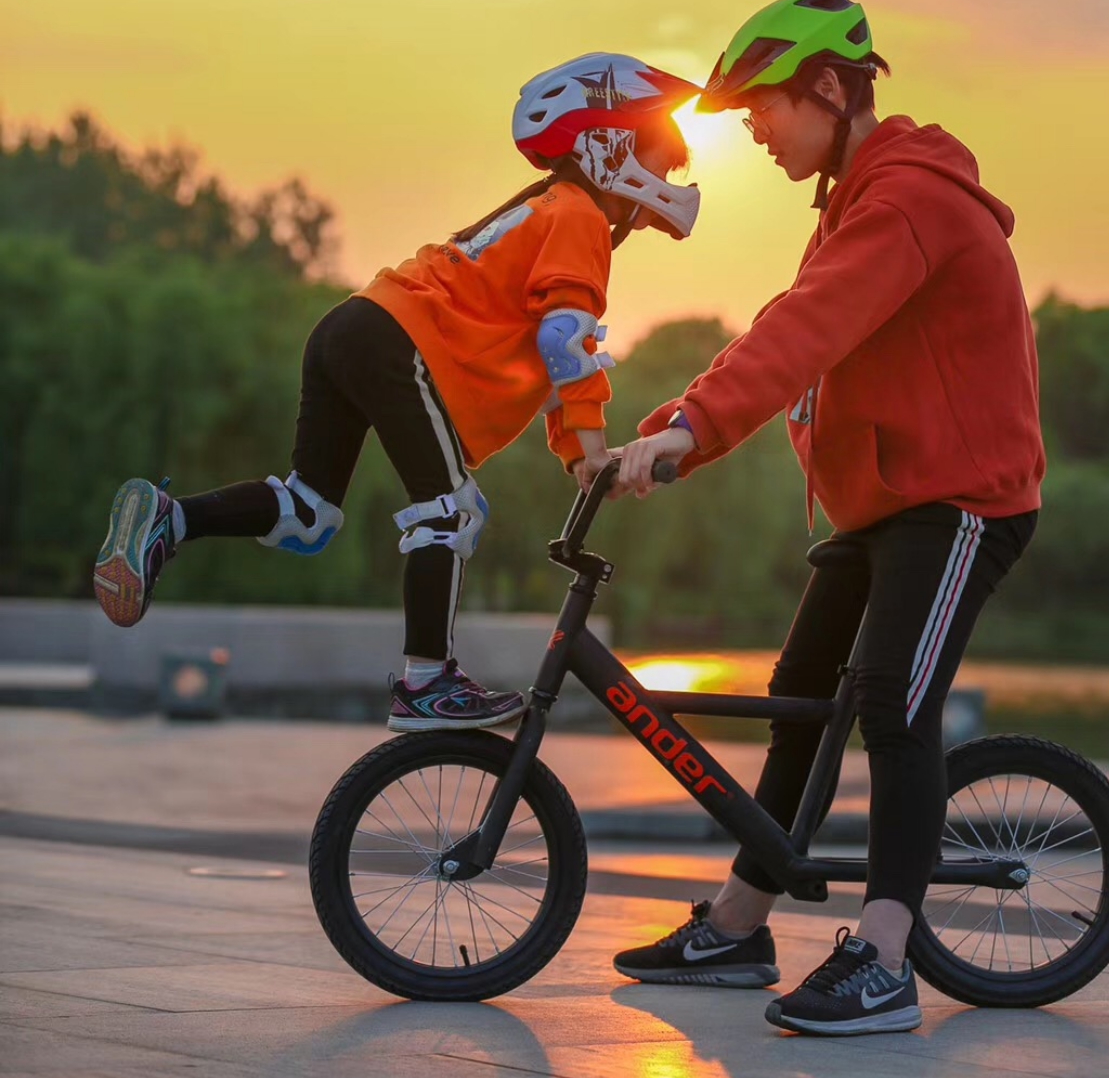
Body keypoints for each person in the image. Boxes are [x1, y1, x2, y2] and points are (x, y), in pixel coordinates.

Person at [611, 0, 1043, 1037]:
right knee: (805, 692)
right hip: (883, 504)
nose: (753, 128)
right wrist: (674, 420)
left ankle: (887, 959)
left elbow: (811, 325)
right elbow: (787, 329)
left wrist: (693, 428)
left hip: (961, 500)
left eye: (763, 104)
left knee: (890, 703)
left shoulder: (907, 201)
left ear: (827, 88)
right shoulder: (855, 201)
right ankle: (741, 922)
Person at [93, 53, 700, 730]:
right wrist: (593, 444)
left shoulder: (547, 207)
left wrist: (578, 455)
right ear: (610, 143)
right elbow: (565, 342)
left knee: (308, 511)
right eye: (661, 157)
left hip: (350, 327)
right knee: (451, 508)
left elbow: (545, 355)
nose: (670, 176)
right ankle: (427, 683)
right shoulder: (582, 217)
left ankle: (170, 519)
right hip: (393, 340)